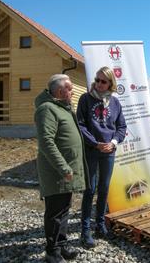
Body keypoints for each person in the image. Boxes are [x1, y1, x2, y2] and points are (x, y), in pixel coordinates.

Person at [35, 74, 89, 263]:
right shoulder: (47, 109)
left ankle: (62, 245)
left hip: (66, 171)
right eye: (71, 88)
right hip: (57, 173)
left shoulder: (63, 108)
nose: (73, 92)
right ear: (60, 91)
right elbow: (46, 142)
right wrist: (64, 168)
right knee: (55, 213)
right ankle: (52, 252)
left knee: (64, 210)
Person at [77, 66, 127, 248]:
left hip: (109, 151)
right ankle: (85, 231)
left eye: (103, 81)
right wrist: (95, 143)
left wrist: (113, 142)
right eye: (96, 80)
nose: (98, 84)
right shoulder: (85, 99)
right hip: (91, 150)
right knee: (89, 190)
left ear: (110, 83)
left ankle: (100, 226)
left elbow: (121, 127)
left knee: (104, 188)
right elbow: (81, 125)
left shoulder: (115, 103)